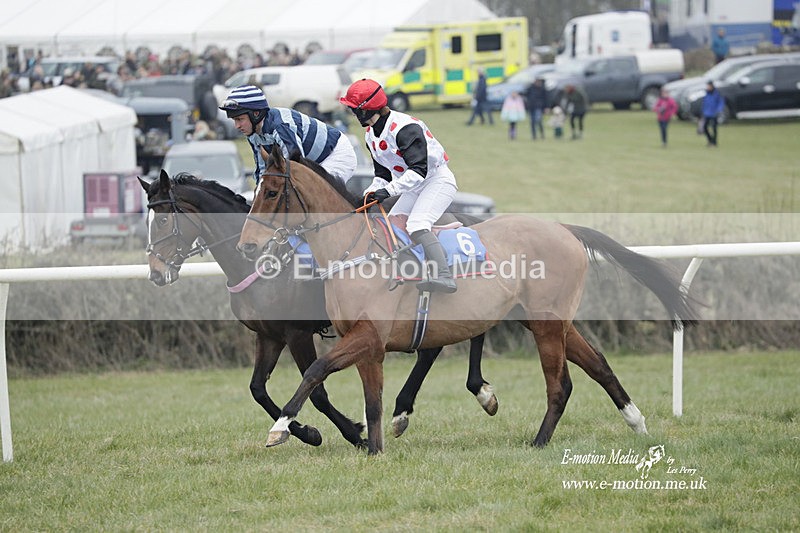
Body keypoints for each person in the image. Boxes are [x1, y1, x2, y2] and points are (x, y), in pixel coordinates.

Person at [340, 78, 458, 293]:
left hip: (437, 181)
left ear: (365, 110)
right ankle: (410, 269)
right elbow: (383, 175)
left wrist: (388, 191)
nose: (352, 114)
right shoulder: (370, 135)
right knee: (393, 225)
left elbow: (419, 171)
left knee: (417, 224)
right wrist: (368, 195)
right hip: (413, 186)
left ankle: (444, 276)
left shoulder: (405, 128)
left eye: (354, 109)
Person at [219, 85, 357, 184]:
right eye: (234, 120)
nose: (237, 126)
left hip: (336, 154)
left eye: (240, 119)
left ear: (256, 114)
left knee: (312, 191)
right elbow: (262, 169)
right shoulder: (253, 133)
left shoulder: (281, 126)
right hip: (312, 160)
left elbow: (295, 166)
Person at [701, 81, 725, 147]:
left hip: (714, 113)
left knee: (714, 128)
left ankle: (714, 142)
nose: (708, 87)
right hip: (707, 113)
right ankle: (710, 140)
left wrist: (718, 110)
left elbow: (721, 102)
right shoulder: (706, 93)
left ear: (712, 86)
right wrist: (703, 112)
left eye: (709, 86)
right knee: (705, 127)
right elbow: (704, 103)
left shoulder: (717, 93)